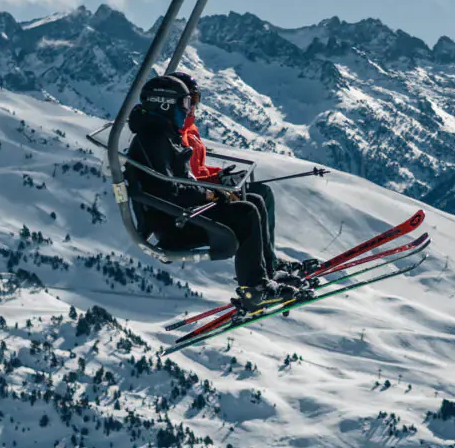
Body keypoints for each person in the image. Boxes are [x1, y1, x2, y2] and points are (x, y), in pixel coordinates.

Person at [125, 72, 316, 310]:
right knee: (245, 212)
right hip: (175, 224)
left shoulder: (164, 135)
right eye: (184, 103)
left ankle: (265, 276)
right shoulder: (153, 138)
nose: (188, 109)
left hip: (180, 215)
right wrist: (210, 194)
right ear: (164, 104)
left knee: (255, 199)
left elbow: (180, 181)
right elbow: (169, 188)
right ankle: (254, 289)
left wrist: (212, 189)